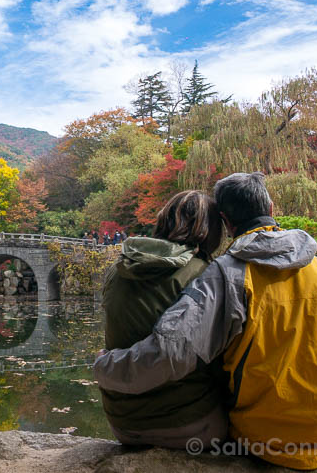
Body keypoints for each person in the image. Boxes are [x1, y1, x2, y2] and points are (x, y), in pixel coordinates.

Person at [94, 172, 317, 469]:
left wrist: (108, 366)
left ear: (225, 221)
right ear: (271, 208)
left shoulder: (227, 274)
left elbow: (172, 352)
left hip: (267, 440)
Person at [100, 190, 226, 450]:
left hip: (121, 423)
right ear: (212, 231)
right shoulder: (205, 275)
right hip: (190, 425)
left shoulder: (118, 269)